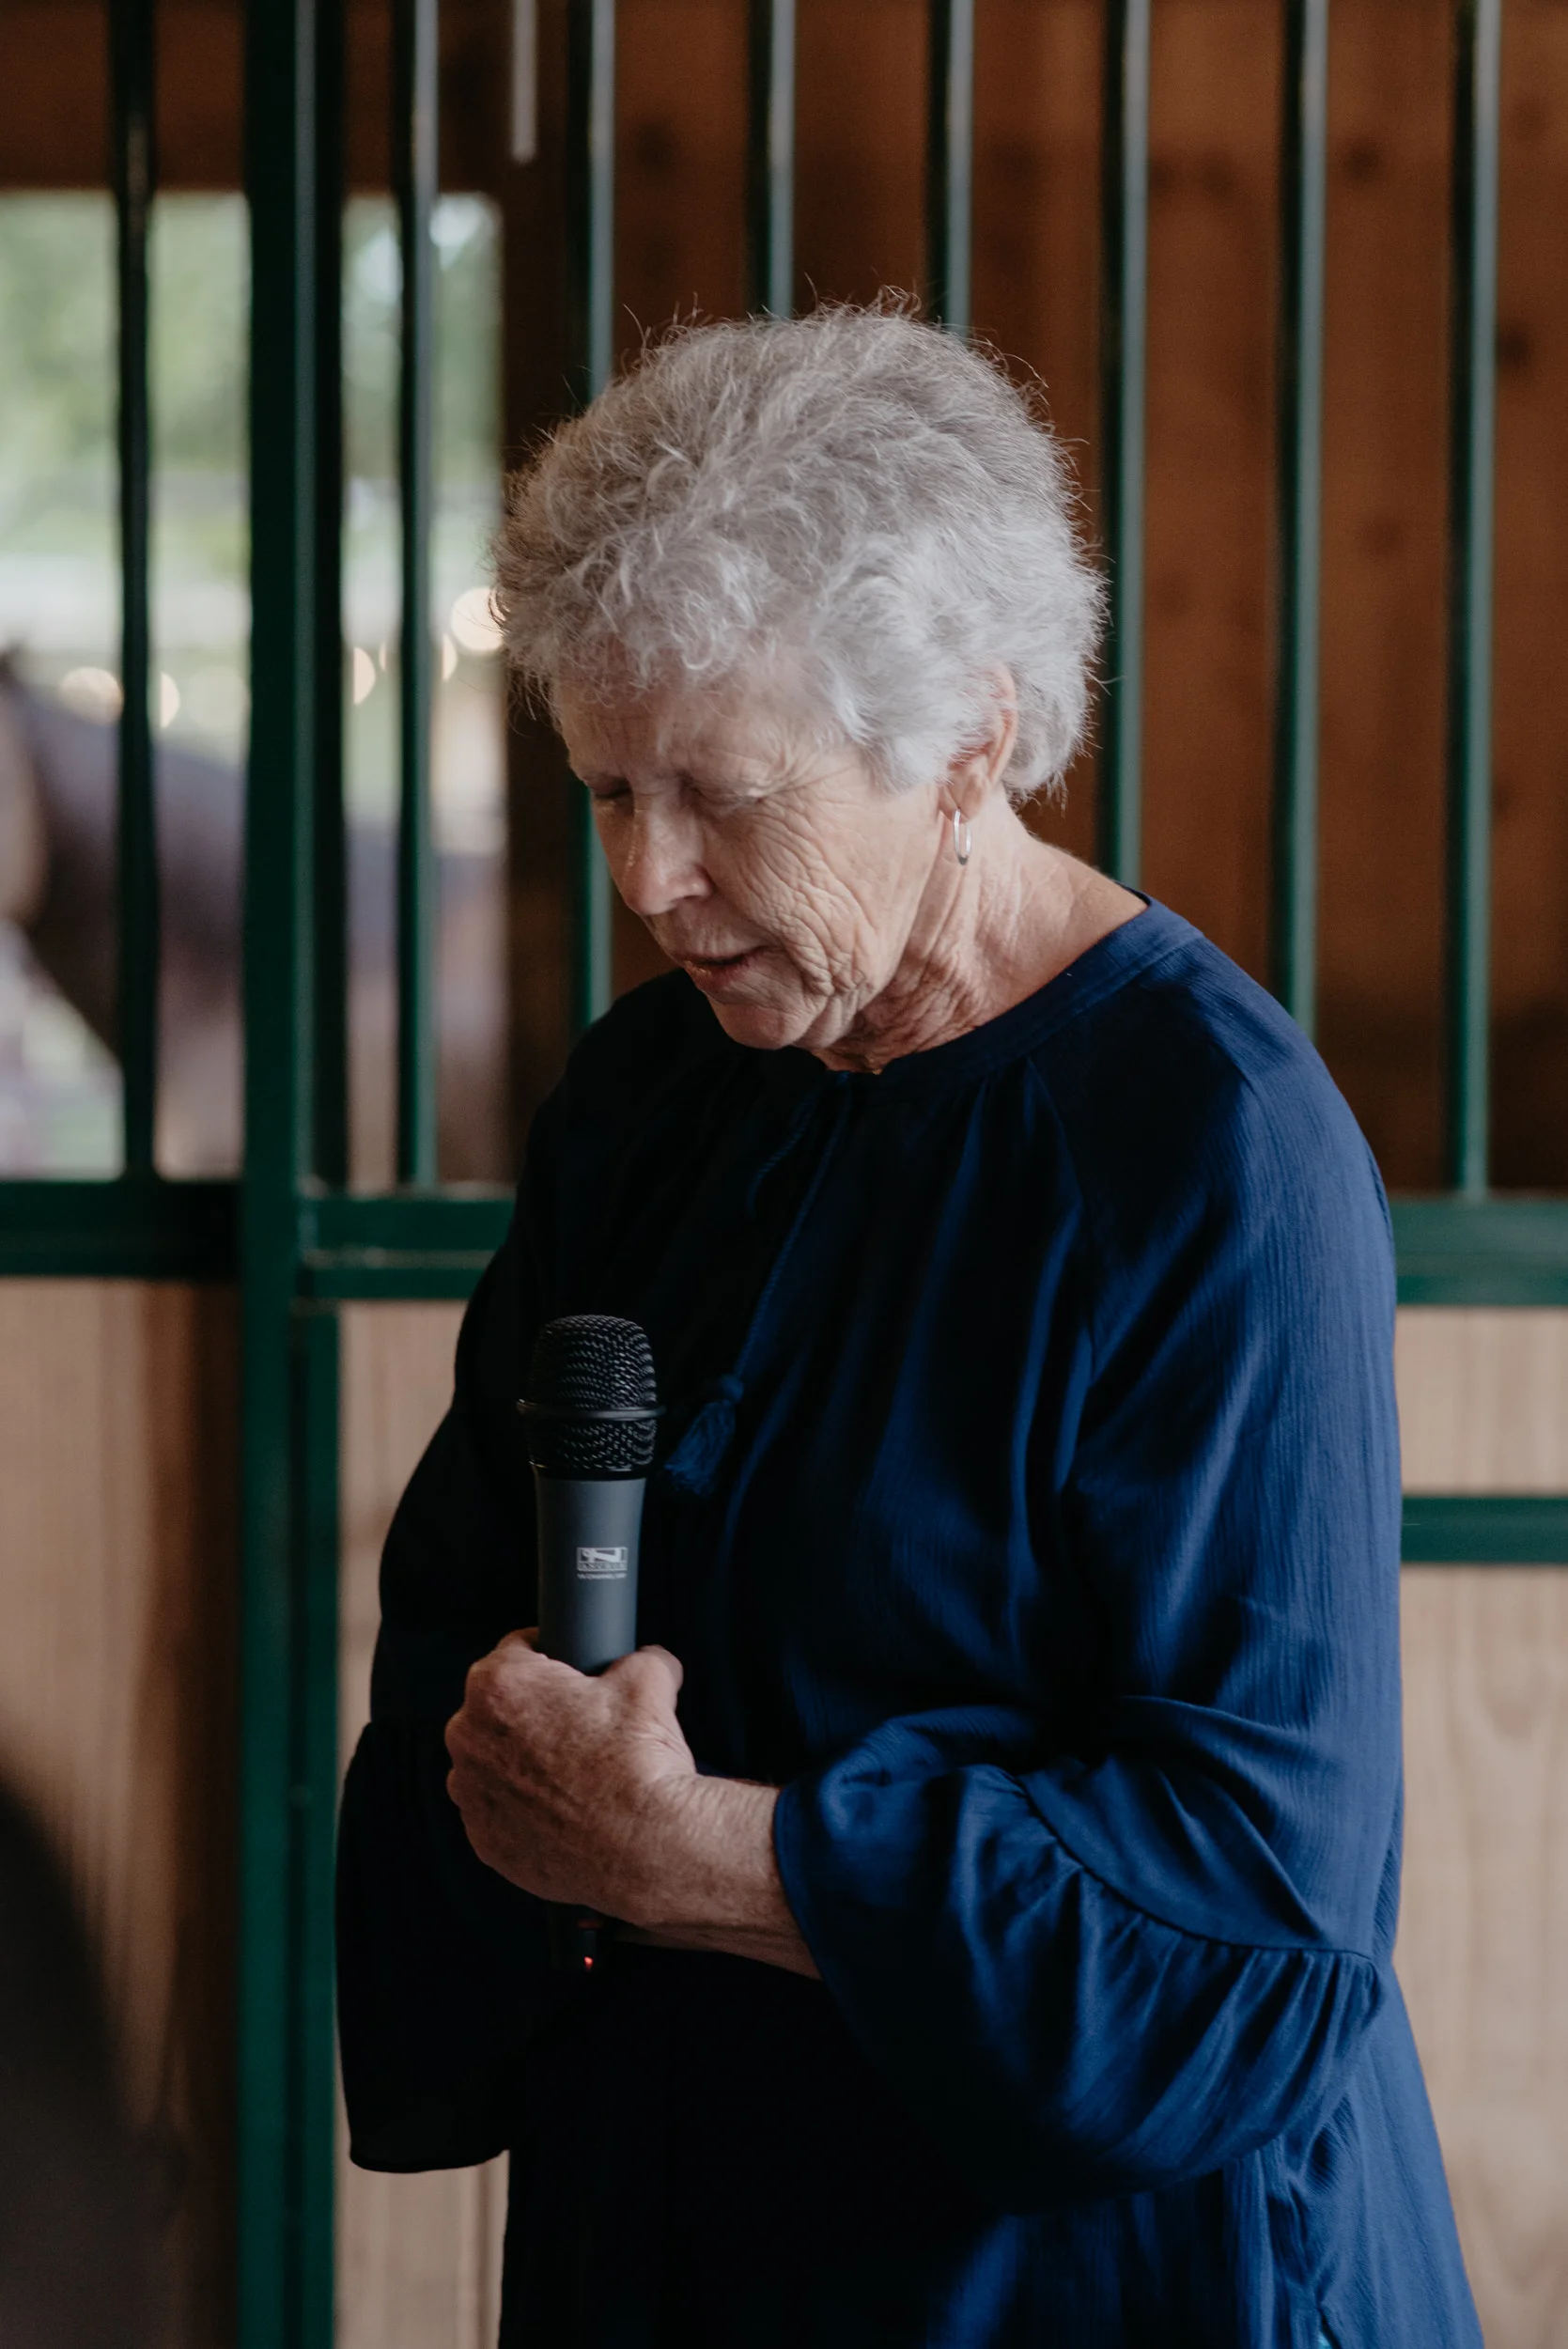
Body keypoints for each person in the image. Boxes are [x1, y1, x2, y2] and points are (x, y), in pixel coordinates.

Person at [336, 306, 1481, 2348]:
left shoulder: (1209, 1149)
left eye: (716, 791)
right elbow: (464, 1594)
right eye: (605, 788)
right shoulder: (652, 1088)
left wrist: (699, 1855)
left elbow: (1260, 1910)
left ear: (969, 737)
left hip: (1084, 2273)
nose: (650, 878)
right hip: (684, 2224)